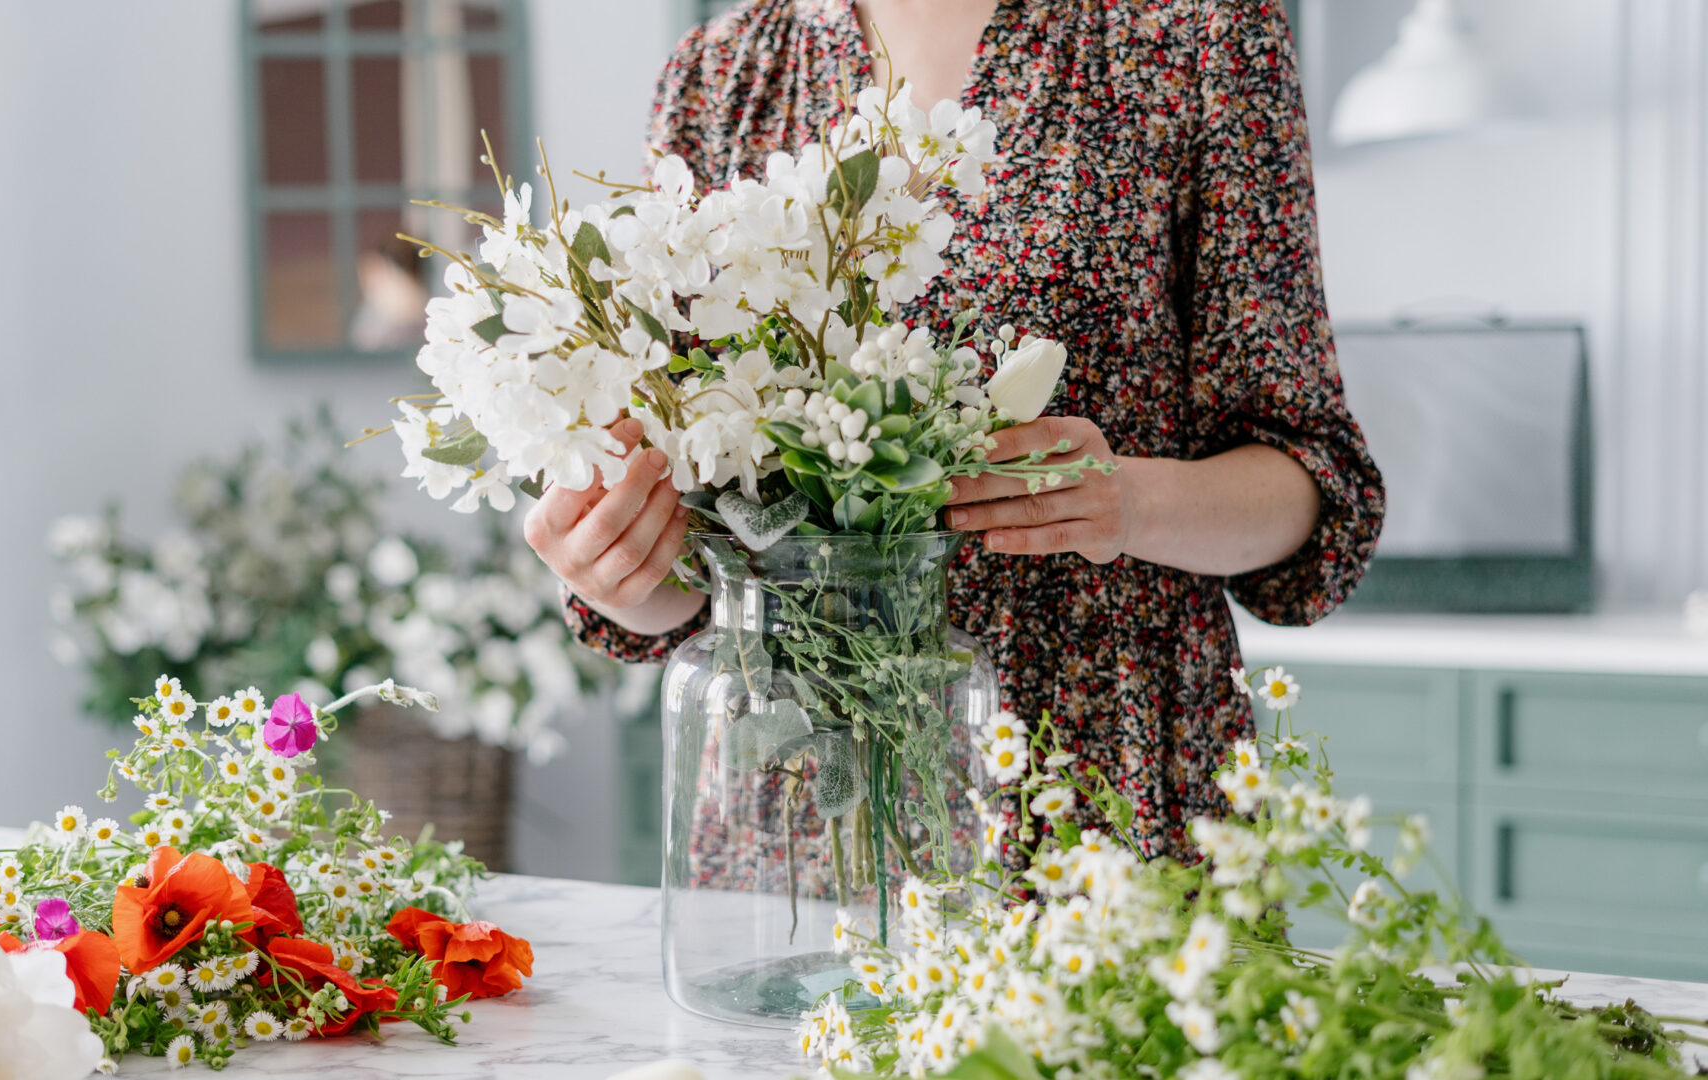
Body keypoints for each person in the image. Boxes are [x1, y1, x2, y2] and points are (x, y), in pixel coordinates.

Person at [522, 0, 1385, 860]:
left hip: (1101, 772)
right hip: (802, 813)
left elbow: (1311, 483)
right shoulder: (721, 77)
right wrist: (621, 565)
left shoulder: (1196, 34)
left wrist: (1130, 501)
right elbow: (703, 557)